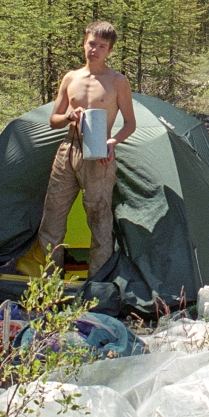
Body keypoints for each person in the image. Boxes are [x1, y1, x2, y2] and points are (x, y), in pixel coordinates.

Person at [37, 20, 136, 276]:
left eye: (102, 46)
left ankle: (98, 284)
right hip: (68, 149)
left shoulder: (117, 81)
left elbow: (130, 123)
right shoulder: (71, 78)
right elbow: (53, 121)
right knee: (52, 217)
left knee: (100, 219)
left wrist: (113, 142)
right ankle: (50, 282)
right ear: (84, 43)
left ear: (109, 51)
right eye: (92, 43)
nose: (95, 50)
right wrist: (70, 116)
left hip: (99, 152)